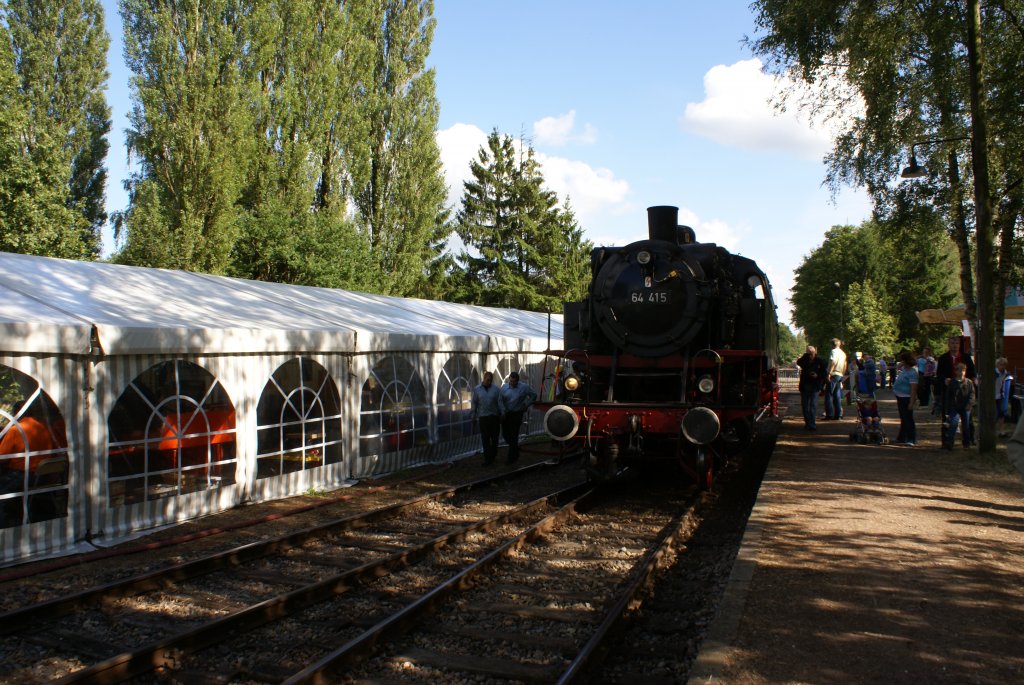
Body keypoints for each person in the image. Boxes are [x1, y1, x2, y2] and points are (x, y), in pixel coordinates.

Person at [936, 336, 976, 446]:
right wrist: (945, 380)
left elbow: (972, 372)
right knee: (947, 417)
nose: (954, 345)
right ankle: (946, 441)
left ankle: (969, 439)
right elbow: (939, 375)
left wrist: (972, 380)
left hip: (964, 390)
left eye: (956, 343)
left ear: (959, 345)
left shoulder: (966, 358)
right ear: (948, 344)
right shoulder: (943, 358)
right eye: (952, 343)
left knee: (968, 418)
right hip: (950, 392)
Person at [499, 371, 537, 464]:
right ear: (509, 379)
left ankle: (511, 458)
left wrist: (526, 405)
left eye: (514, 382)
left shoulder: (524, 387)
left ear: (518, 381)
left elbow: (534, 395)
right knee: (505, 434)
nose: (512, 383)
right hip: (507, 414)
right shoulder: (504, 388)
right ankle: (515, 450)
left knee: (513, 435)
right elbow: (500, 400)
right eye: (511, 381)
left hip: (517, 414)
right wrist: (502, 410)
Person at [471, 371, 502, 465]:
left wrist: (502, 413)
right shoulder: (477, 389)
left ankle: (493, 454)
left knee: (495, 438)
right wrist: (473, 415)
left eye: (491, 380)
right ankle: (487, 459)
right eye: (488, 380)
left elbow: (500, 402)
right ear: (484, 379)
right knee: (485, 438)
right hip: (483, 417)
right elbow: (474, 403)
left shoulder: (496, 389)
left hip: (494, 417)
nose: (489, 382)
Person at [943, 362, 976, 450]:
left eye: (963, 370)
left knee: (966, 426)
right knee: (953, 424)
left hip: (966, 407)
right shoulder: (952, 382)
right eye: (959, 370)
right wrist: (948, 408)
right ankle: (950, 443)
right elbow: (948, 396)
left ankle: (966, 443)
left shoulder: (969, 382)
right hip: (954, 407)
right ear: (956, 371)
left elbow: (972, 395)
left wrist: (969, 405)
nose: (961, 372)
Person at [797, 345, 827, 431]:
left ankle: (812, 424)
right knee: (805, 406)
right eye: (809, 353)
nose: (810, 355)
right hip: (805, 385)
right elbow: (798, 362)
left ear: (815, 352)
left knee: (813, 405)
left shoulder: (819, 361)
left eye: (812, 353)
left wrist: (817, 376)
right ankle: (808, 423)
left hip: (815, 385)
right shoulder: (804, 360)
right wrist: (805, 355)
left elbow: (824, 373)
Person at [892, 350, 919, 446]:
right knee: (903, 418)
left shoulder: (912, 372)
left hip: (906, 397)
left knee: (908, 418)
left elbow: (913, 389)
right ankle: (902, 437)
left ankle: (911, 438)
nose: (901, 362)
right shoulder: (905, 370)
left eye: (902, 360)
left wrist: (911, 402)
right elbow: (897, 369)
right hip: (900, 396)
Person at [824, 338, 847, 420]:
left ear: (832, 344)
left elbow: (833, 362)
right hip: (840, 374)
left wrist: (829, 373)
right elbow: (845, 364)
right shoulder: (843, 353)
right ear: (839, 344)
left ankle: (829, 414)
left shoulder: (833, 351)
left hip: (833, 374)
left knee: (828, 395)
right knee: (837, 395)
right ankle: (838, 414)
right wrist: (842, 374)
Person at [995, 357, 1014, 438]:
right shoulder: (993, 373)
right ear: (997, 365)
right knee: (993, 414)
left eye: (1004, 365)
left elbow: (1009, 380)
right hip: (993, 396)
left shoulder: (1006, 373)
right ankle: (988, 431)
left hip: (1001, 396)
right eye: (1001, 364)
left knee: (1001, 414)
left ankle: (1001, 431)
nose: (1002, 366)